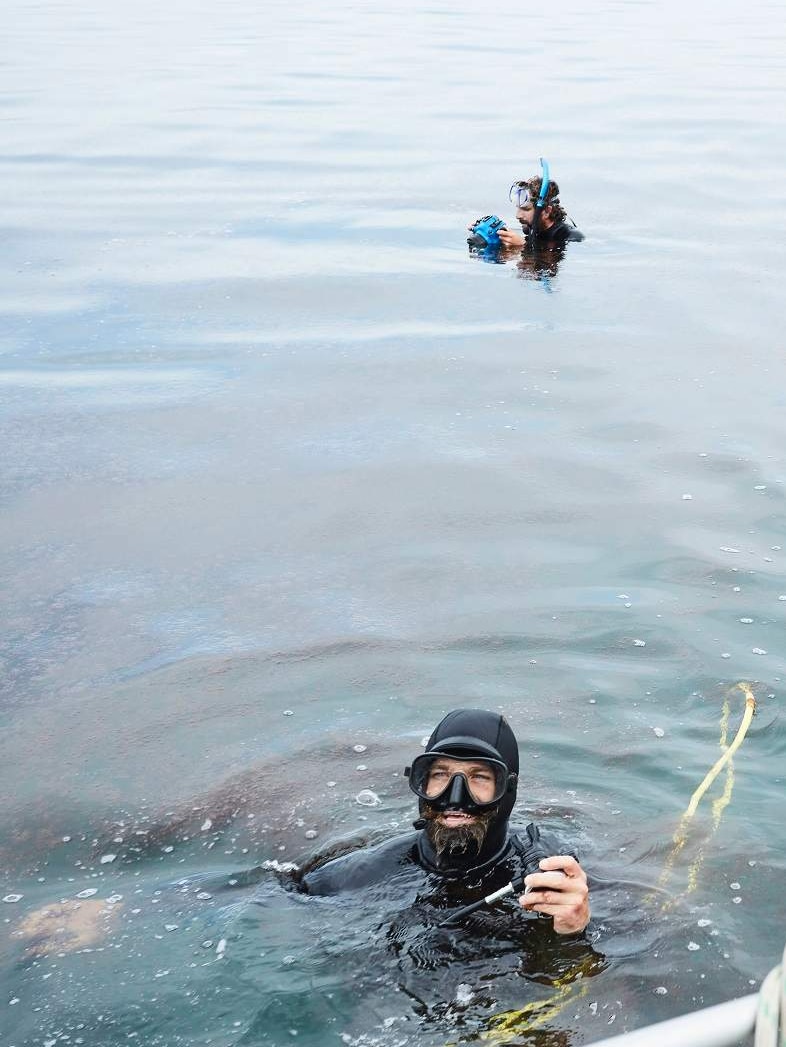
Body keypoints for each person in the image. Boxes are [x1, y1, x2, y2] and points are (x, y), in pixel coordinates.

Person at [298, 708, 591, 937]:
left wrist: (573, 930)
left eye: (479, 777)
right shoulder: (352, 877)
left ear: (507, 791)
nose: (455, 796)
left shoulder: (554, 876)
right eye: (440, 775)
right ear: (421, 782)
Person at [498, 174, 584, 250]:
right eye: (518, 208)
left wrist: (522, 245)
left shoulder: (568, 236)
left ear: (546, 211)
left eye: (526, 209)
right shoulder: (533, 227)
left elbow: (548, 263)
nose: (518, 215)